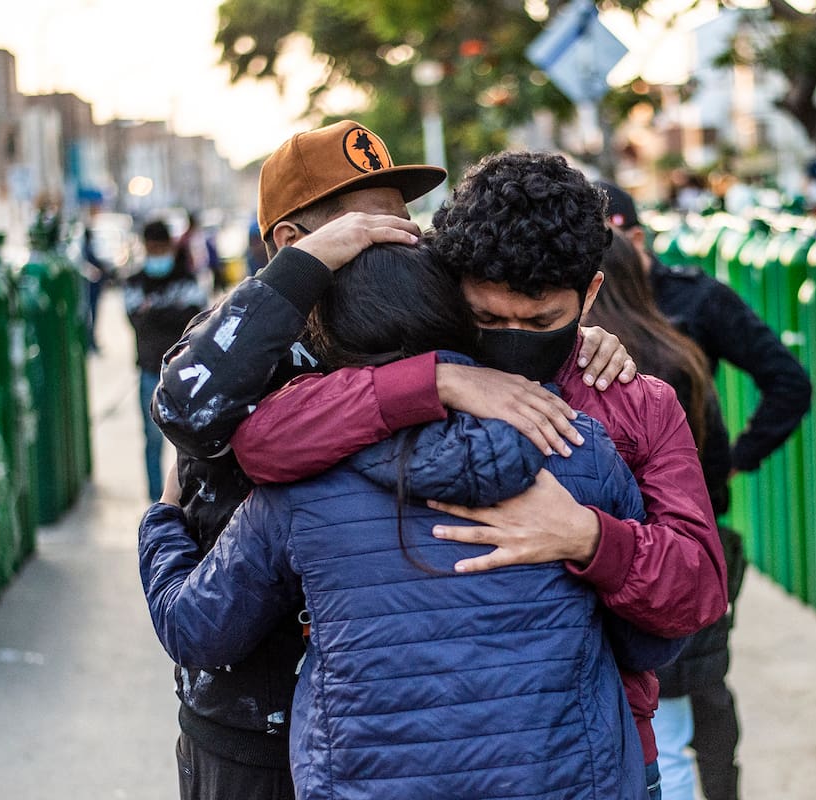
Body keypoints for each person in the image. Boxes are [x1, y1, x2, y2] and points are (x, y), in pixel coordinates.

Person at [147, 120, 639, 800]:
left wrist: (584, 340)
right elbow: (187, 408)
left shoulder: (424, 318)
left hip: (373, 736)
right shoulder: (244, 336)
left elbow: (520, 323)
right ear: (296, 246)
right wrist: (419, 378)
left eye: (404, 223)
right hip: (251, 726)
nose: (404, 240)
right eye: (365, 229)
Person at [227, 151, 730, 799]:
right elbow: (264, 440)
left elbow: (698, 589)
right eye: (489, 320)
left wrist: (589, 539)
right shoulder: (399, 365)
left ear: (591, 294)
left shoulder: (634, 402)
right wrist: (430, 380)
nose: (514, 339)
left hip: (597, 759)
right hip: (413, 763)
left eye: (542, 321)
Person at [598, 181, 812, 800]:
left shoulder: (691, 307)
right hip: (622, 540)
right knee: (666, 710)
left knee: (695, 697)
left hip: (686, 529)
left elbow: (787, 382)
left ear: (636, 239)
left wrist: (733, 462)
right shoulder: (570, 330)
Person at [125, 220, 208, 501]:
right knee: (151, 439)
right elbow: (137, 321)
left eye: (162, 248)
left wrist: (155, 312)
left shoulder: (186, 277)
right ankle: (156, 501)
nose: (158, 253)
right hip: (150, 370)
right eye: (153, 248)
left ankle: (188, 498)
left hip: (184, 372)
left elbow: (196, 317)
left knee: (187, 441)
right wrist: (172, 312)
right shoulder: (135, 280)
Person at [81, 202, 116, 352]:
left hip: (94, 286)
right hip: (90, 287)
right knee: (90, 314)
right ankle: (90, 342)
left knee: (93, 314)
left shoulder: (90, 247)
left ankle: (92, 341)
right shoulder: (86, 249)